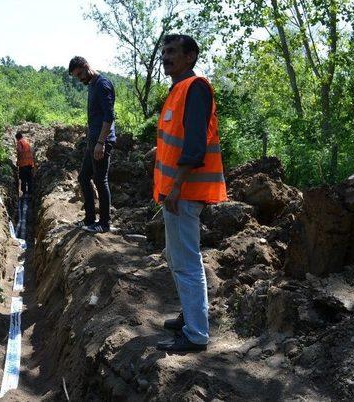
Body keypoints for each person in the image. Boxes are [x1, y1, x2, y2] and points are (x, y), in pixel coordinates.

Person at [153, 34, 228, 353]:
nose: (166, 57)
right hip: (176, 191)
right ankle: (190, 316)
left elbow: (195, 146)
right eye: (164, 52)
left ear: (190, 57)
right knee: (178, 257)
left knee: (186, 262)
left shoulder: (195, 88)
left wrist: (177, 186)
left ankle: (196, 333)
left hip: (184, 191)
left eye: (172, 52)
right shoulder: (178, 89)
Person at [68, 56, 116, 233]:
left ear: (86, 66)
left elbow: (109, 117)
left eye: (80, 74)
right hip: (93, 141)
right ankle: (89, 218)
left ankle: (104, 223)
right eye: (76, 76)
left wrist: (101, 143)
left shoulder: (102, 85)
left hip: (101, 142)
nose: (80, 78)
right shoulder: (92, 85)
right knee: (83, 177)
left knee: (100, 179)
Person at [15, 132, 34, 196]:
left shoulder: (19, 142)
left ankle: (24, 193)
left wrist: (18, 161)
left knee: (23, 179)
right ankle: (30, 192)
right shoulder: (26, 141)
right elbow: (31, 151)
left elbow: (20, 152)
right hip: (30, 163)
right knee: (29, 179)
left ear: (17, 138)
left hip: (23, 164)